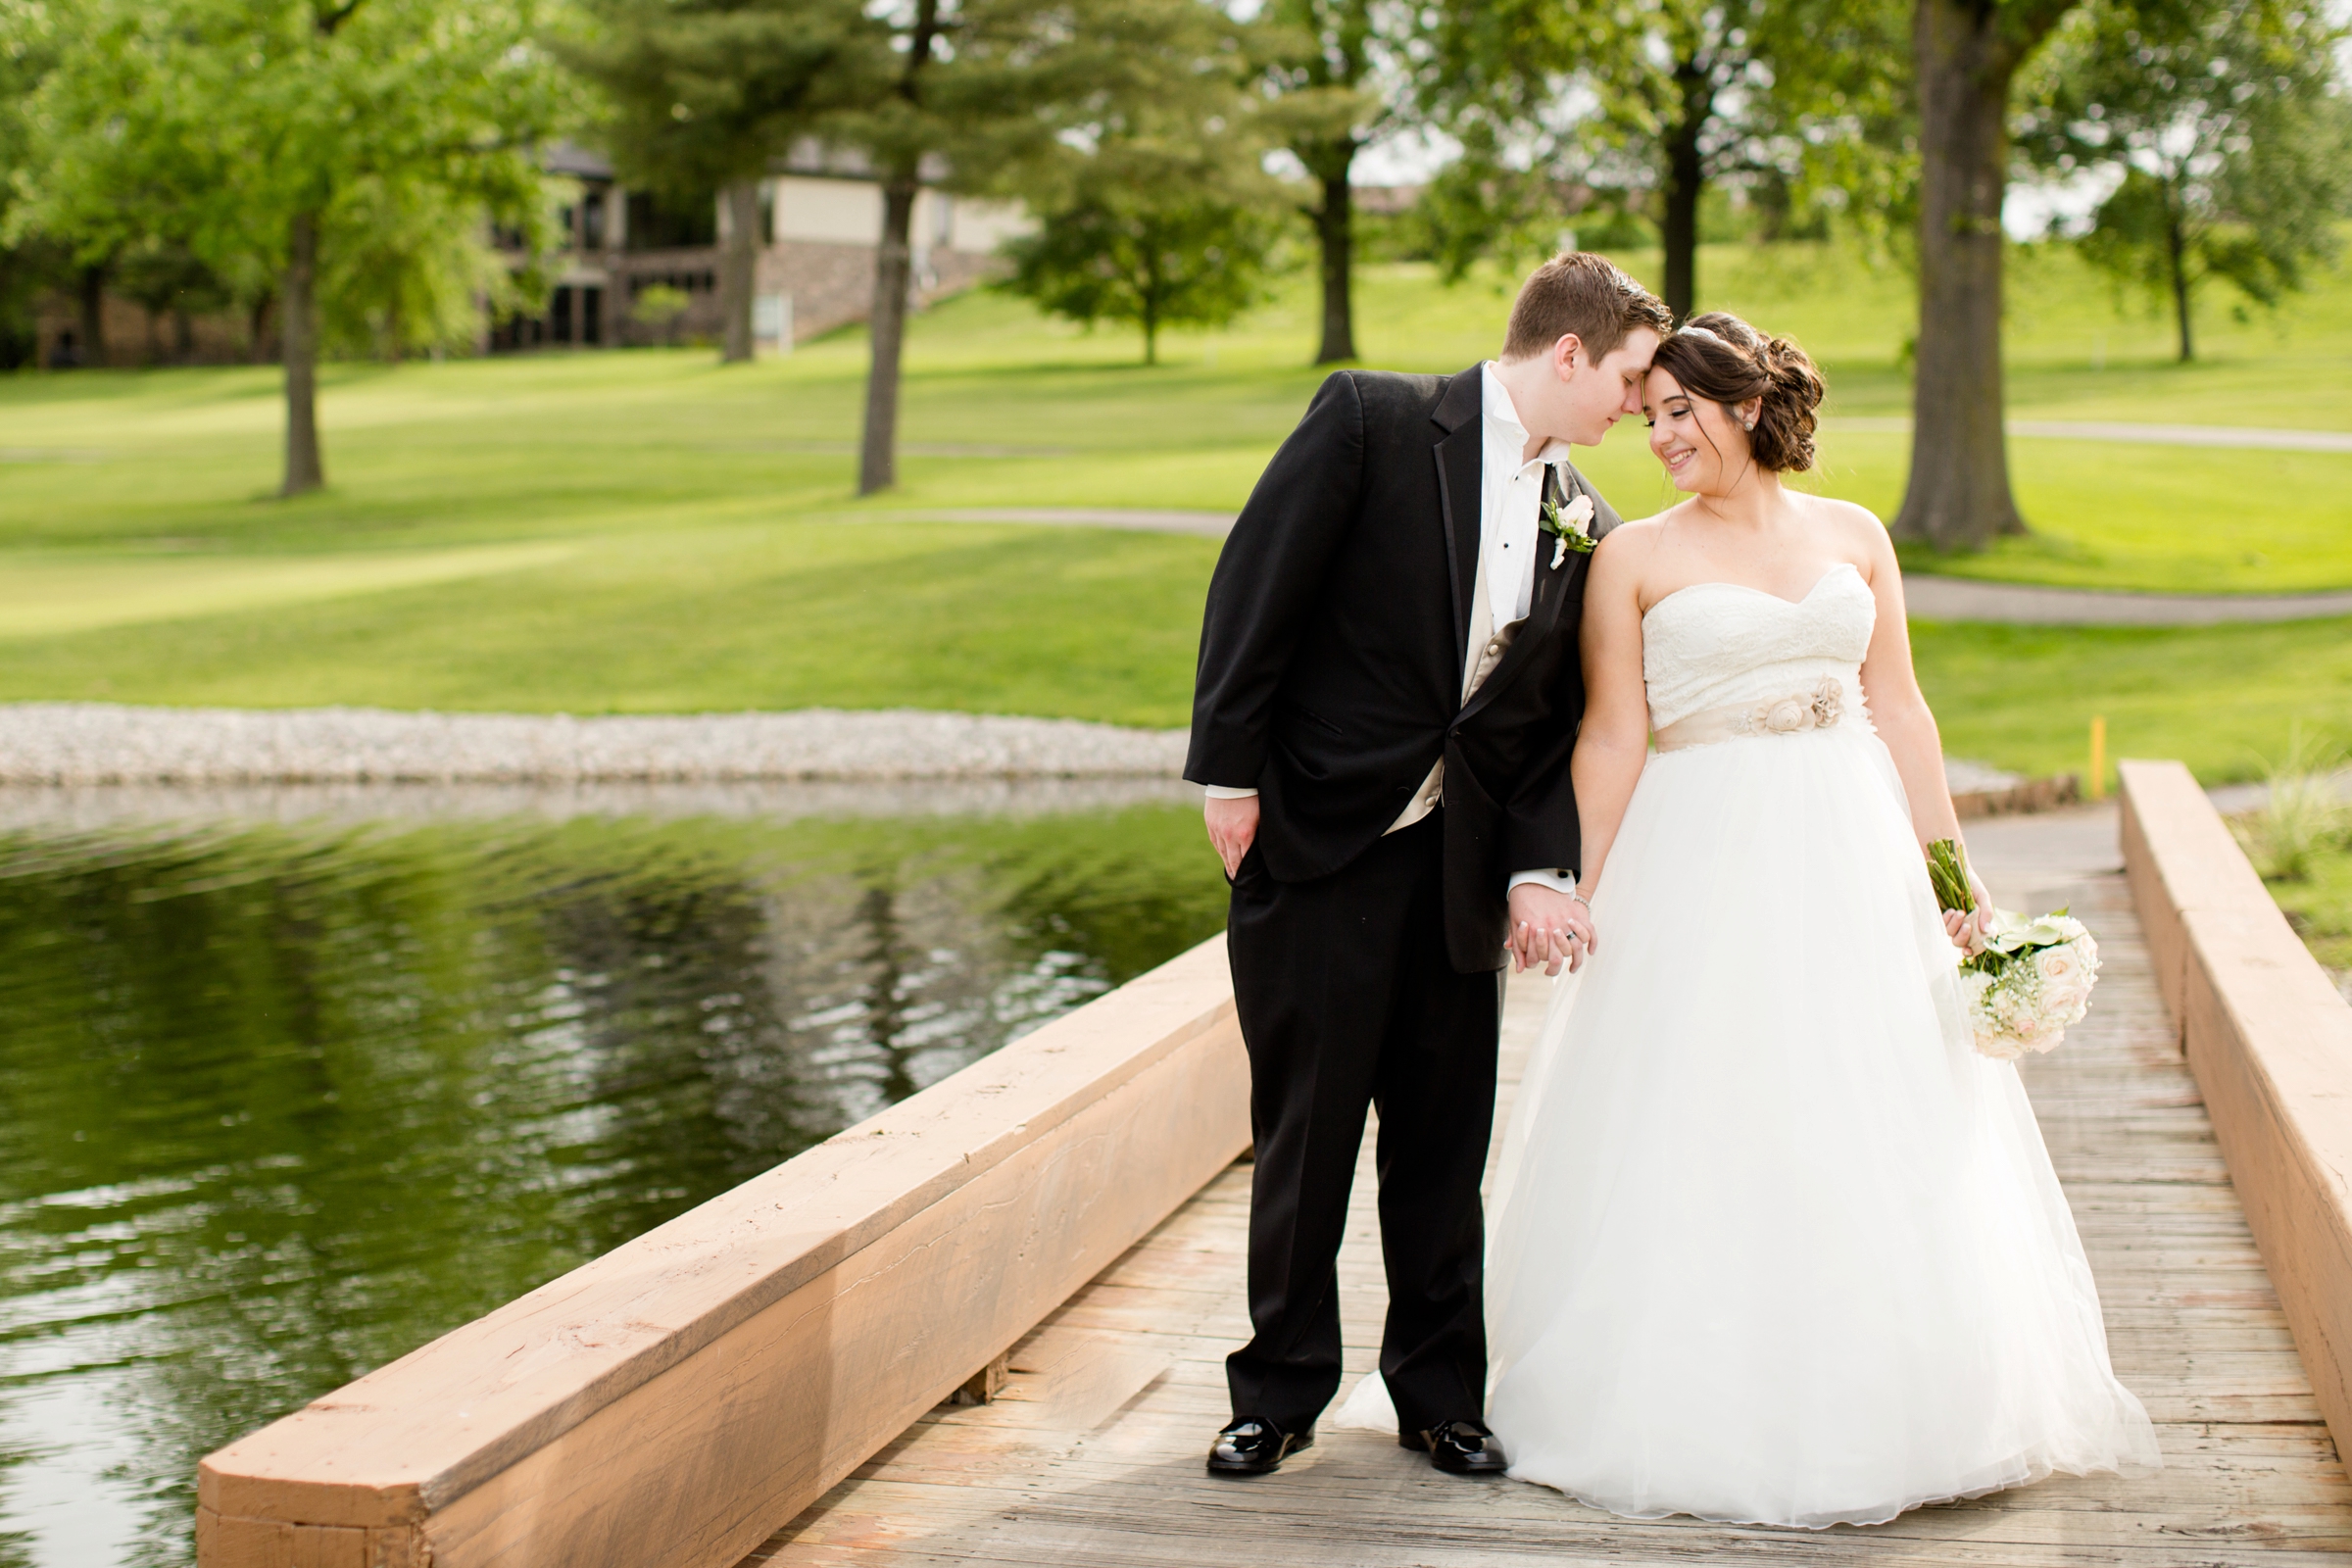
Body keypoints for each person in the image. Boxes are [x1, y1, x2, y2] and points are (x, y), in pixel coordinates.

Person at [1470, 312, 2162, 1525]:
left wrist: (1952, 880)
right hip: (1701, 857)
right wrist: (1567, 884)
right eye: (1653, 413)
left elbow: (1901, 710)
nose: (1662, 433)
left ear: (1748, 407)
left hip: (1852, 850)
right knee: (1708, 1102)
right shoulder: (1634, 559)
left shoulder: (1857, 535)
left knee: (1875, 1098)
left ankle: (1906, 1390)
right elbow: (1613, 735)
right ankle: (1690, 1388)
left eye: (1684, 410)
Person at [1184, 252, 1670, 1478]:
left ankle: (1440, 1394)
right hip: (1323, 845)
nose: (1632, 405)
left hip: (1456, 878)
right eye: (1624, 377)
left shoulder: (1590, 528)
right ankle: (1279, 1392)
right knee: (1306, 1135)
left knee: (1445, 1146)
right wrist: (1229, 773)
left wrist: (1535, 870)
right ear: (1569, 352)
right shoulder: (1374, 420)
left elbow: (1543, 734)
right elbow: (1256, 585)